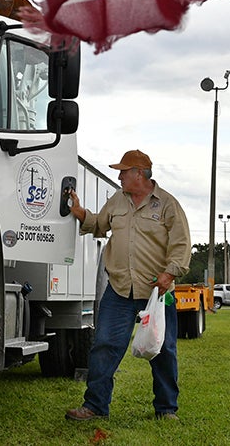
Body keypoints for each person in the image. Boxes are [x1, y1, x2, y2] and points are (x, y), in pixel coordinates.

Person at [64, 149, 191, 422]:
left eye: (123, 171)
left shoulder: (168, 204)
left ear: (139, 174)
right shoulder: (118, 200)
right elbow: (99, 224)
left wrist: (169, 274)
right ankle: (95, 407)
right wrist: (80, 212)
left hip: (157, 292)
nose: (119, 176)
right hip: (119, 289)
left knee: (163, 350)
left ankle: (166, 409)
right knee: (104, 345)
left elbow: (180, 245)